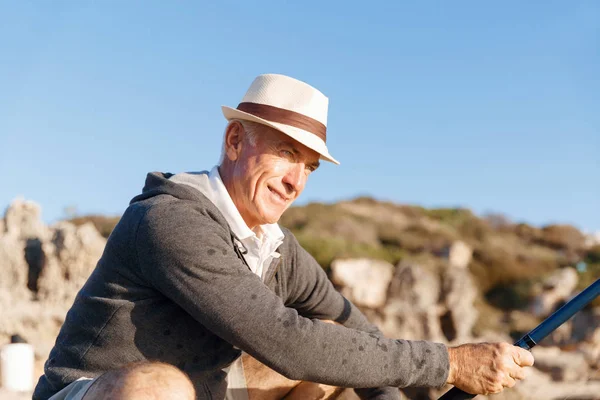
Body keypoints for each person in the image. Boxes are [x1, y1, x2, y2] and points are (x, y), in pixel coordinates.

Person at [33, 74, 534, 400]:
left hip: (201, 390)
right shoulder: (170, 221)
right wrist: (449, 363)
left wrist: (410, 396)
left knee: (338, 349)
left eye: (310, 166)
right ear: (234, 140)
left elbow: (352, 330)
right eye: (286, 155)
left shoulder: (275, 247)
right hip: (94, 391)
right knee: (158, 387)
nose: (297, 180)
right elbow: (286, 342)